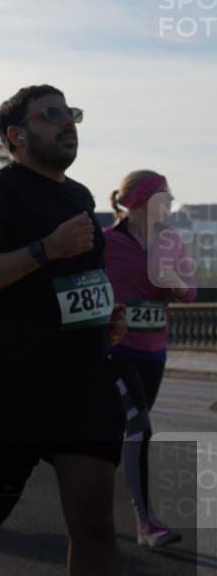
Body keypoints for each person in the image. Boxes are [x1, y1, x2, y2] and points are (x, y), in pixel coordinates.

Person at [0, 85, 128, 576]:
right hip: (14, 386)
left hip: (84, 384)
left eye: (73, 115)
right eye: (53, 116)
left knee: (94, 521)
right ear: (17, 136)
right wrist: (46, 248)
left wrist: (104, 311)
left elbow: (84, 274)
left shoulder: (79, 196)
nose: (69, 124)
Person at [105, 170, 197, 548]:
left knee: (120, 435)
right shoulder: (107, 242)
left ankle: (86, 495)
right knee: (140, 427)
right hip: (114, 350)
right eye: (164, 194)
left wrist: (175, 282)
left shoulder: (171, 240)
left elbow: (190, 292)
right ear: (141, 200)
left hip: (153, 352)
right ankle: (146, 523)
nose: (171, 201)